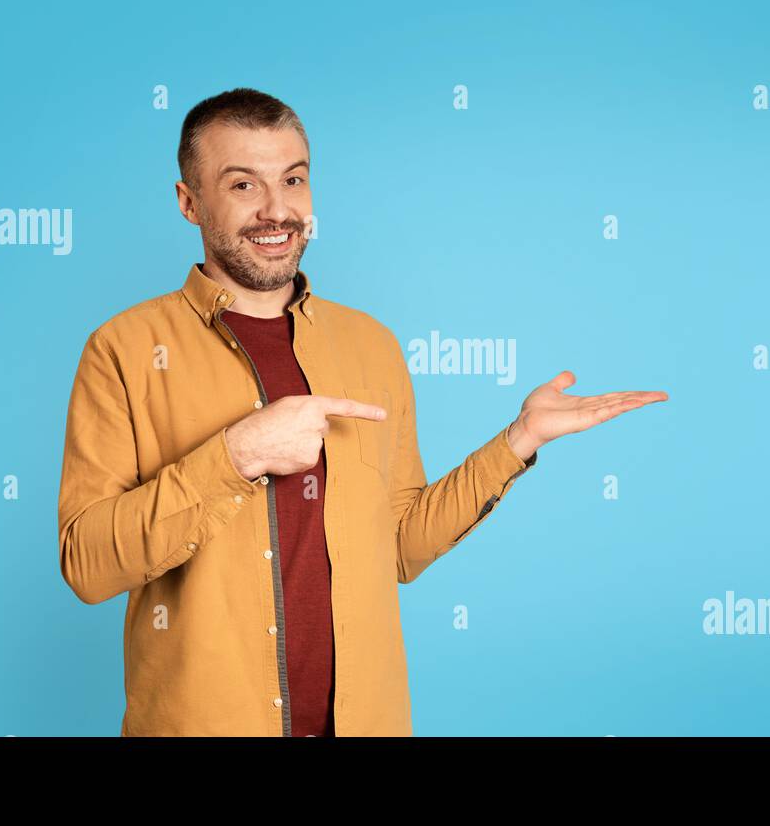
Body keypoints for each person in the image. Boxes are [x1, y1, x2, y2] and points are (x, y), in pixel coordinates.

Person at [57, 87, 668, 736]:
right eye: (242, 185)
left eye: (293, 180)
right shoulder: (121, 350)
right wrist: (235, 456)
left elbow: (399, 547)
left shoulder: (370, 346)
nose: (276, 209)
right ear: (189, 202)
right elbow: (89, 565)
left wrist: (517, 441)